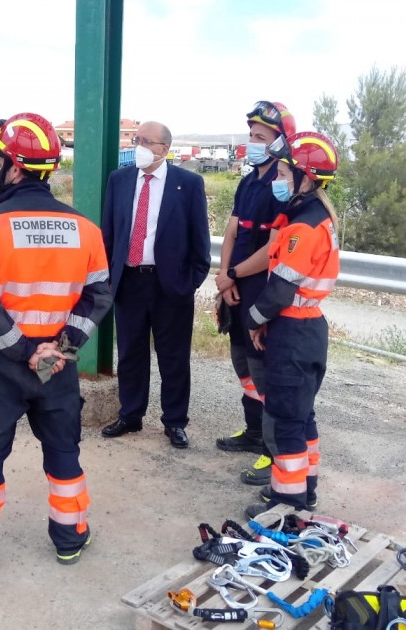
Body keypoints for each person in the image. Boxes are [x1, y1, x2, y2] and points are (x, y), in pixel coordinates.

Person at [0, 113, 112, 578]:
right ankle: (70, 538)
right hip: (59, 363)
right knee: (64, 452)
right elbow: (98, 296)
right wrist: (63, 347)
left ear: (14, 166)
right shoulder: (85, 229)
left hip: (2, 362)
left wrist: (22, 351)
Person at [242, 131, 340, 518]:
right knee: (301, 417)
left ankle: (287, 502)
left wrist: (252, 321)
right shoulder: (314, 216)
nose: (278, 179)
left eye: (283, 172)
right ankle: (307, 489)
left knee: (284, 421)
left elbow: (280, 291)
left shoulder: (303, 228)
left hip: (293, 332)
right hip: (309, 330)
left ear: (306, 177)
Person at [99, 121, 211, 449]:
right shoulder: (119, 180)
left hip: (170, 286)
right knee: (131, 354)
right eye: (137, 140)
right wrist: (108, 275)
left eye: (146, 141)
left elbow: (200, 244)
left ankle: (174, 422)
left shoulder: (187, 184)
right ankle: (130, 415)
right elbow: (109, 234)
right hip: (130, 281)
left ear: (164, 148)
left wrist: (187, 284)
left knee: (173, 358)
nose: (139, 146)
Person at [213, 101, 295, 484]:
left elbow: (273, 249)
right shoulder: (247, 182)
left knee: (264, 375)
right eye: (250, 136)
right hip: (236, 286)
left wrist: (232, 274)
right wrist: (224, 278)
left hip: (260, 290)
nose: (252, 143)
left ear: (280, 142)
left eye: (260, 137)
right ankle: (253, 433)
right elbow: (232, 232)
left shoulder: (281, 189)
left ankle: (272, 451)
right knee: (243, 366)